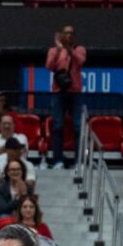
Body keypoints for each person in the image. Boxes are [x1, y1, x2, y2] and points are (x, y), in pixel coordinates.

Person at [45, 25, 85, 169]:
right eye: (66, 33)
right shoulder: (53, 50)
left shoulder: (79, 49)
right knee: (58, 126)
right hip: (58, 92)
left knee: (78, 127)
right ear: (61, 35)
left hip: (75, 92)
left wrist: (68, 49)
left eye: (71, 33)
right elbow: (49, 66)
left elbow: (80, 62)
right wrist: (59, 49)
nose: (69, 36)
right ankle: (57, 161)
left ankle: (79, 162)